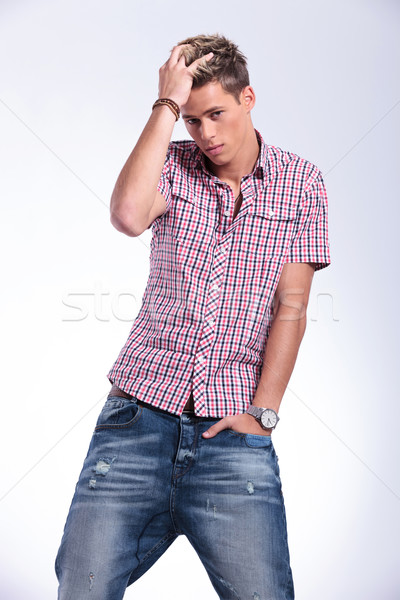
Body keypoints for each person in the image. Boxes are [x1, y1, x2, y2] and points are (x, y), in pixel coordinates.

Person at [55, 34, 330, 599]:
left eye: (216, 114)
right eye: (192, 120)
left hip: (232, 433)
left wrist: (266, 412)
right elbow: (128, 216)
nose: (205, 134)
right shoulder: (174, 167)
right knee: (81, 589)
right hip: (135, 422)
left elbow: (292, 308)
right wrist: (165, 106)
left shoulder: (302, 182)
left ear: (248, 98)